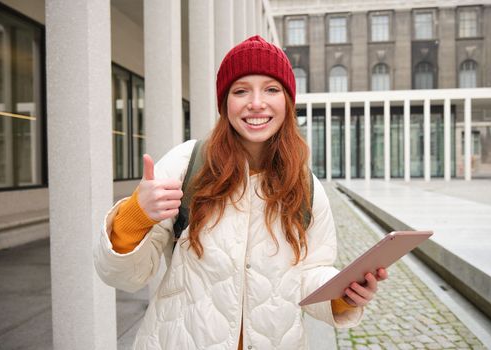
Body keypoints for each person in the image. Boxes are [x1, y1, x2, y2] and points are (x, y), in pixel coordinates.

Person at [94, 35, 388, 350]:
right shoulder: (187, 164)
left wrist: (344, 296)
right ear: (225, 103)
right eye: (241, 90)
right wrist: (136, 214)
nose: (257, 103)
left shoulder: (305, 185)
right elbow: (123, 277)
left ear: (288, 102)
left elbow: (309, 275)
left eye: (271, 89)